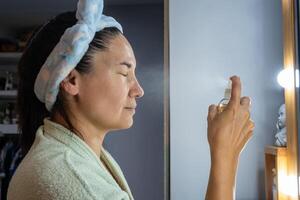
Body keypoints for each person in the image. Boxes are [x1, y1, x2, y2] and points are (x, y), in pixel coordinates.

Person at [6, 0, 254, 199]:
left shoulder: (74, 157)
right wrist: (225, 156)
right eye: (125, 73)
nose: (139, 90)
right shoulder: (72, 179)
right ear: (71, 81)